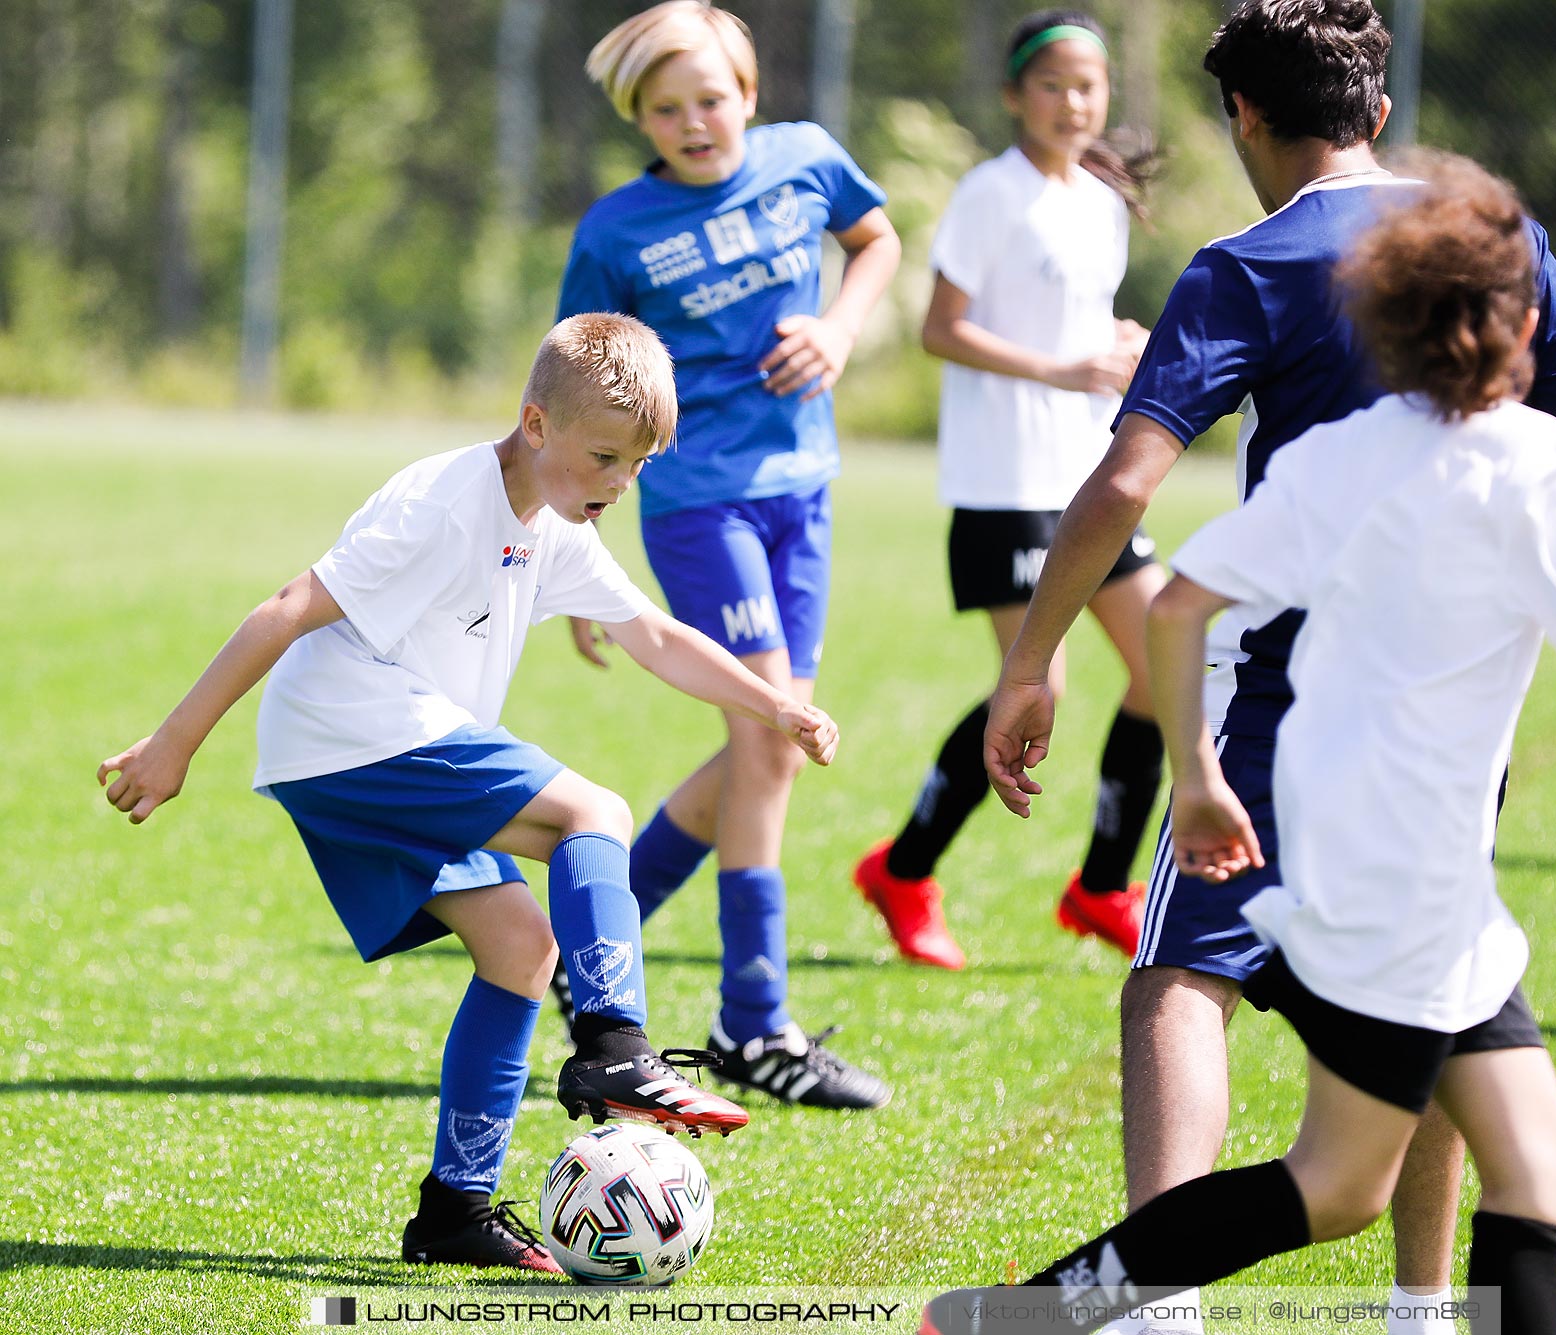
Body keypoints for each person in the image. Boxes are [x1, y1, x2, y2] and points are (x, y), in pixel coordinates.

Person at [976, 1, 1556, 1327]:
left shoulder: (1259, 298)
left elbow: (1127, 489)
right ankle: (1423, 1306)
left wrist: (1037, 663)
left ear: (1246, 117)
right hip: (1448, 737)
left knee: (1184, 984)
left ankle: (1124, 1299)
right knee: (1461, 1091)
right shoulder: (1501, 255)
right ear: (1375, 111)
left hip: (1287, 708)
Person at [97, 313, 840, 1272]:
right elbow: (286, 608)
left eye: (638, 466)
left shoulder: (555, 521)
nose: (619, 484)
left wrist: (774, 705)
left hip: (371, 743)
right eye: (605, 456)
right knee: (595, 812)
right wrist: (173, 744)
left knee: (521, 948)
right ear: (536, 424)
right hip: (353, 730)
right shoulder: (444, 503)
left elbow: (652, 634)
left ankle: (453, 1212)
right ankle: (614, 1040)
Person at [554, 0, 901, 1112]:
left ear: (748, 94)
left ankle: (587, 954)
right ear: (640, 121)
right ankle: (753, 1025)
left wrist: (842, 327)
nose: (694, 122)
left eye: (710, 98)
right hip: (699, 505)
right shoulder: (615, 231)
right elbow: (574, 397)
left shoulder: (805, 162)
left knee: (771, 746)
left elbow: (878, 238)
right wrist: (571, 548)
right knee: (771, 736)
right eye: (666, 108)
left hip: (806, 491)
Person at [851, 10, 1165, 971]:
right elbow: (941, 329)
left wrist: (1119, 349)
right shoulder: (991, 193)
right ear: (1013, 96)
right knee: (1041, 683)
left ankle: (1103, 885)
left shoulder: (1103, 198)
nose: (1075, 102)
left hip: (1088, 477)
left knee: (1168, 666)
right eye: (1054, 85)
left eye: (1090, 85)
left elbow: (1084, 323)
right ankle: (903, 871)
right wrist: (1060, 367)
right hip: (1004, 484)